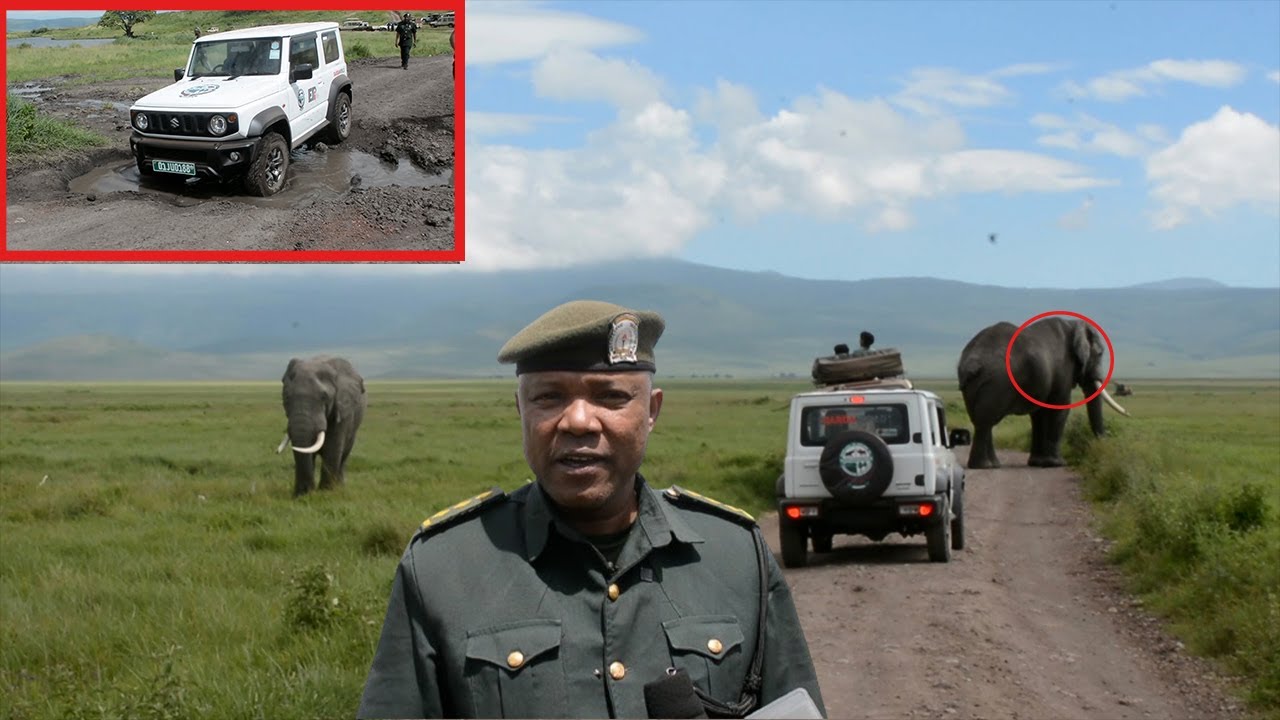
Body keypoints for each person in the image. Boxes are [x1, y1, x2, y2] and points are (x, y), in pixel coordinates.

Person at [357, 300, 826, 719]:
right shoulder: (444, 568)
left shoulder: (736, 556)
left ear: (652, 411)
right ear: (520, 409)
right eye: (549, 397)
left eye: (611, 397)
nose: (578, 421)